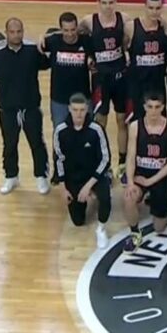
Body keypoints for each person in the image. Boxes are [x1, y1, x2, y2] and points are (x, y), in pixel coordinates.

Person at [0, 17, 51, 195]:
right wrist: (7, 92)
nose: (16, 35)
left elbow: (46, 64)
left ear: (23, 31)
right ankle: (11, 176)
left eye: (19, 31)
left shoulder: (32, 50)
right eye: (12, 32)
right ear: (6, 33)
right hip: (7, 109)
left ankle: (41, 176)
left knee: (37, 143)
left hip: (31, 107)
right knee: (9, 144)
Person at [78, 0, 133, 179]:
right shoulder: (88, 21)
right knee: (100, 120)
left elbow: (131, 37)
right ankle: (101, 160)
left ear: (116, 2)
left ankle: (123, 162)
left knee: (122, 120)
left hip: (120, 76)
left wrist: (127, 52)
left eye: (111, 3)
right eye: (104, 3)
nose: (108, 7)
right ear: (98, 4)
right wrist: (88, 56)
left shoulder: (124, 19)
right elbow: (74, 36)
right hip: (100, 78)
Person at [122, 91, 167, 253]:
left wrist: (150, 181)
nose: (153, 111)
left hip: (161, 177)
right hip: (140, 174)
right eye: (150, 107)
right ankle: (135, 233)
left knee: (159, 228)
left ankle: (158, 201)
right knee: (128, 197)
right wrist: (130, 182)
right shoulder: (135, 126)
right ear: (144, 107)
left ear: (163, 107)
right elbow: (130, 156)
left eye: (157, 107)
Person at [53, 93, 112, 249]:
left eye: (82, 110)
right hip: (74, 177)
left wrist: (89, 186)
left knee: (105, 198)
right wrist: (63, 187)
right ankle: (86, 197)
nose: (78, 114)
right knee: (78, 221)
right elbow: (59, 159)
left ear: (87, 110)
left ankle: (101, 228)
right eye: (75, 110)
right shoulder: (60, 131)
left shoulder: (96, 129)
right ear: (69, 109)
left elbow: (106, 159)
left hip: (94, 175)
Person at [41, 12, 93, 183]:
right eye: (66, 30)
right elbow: (40, 44)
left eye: (73, 30)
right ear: (60, 29)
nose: (70, 34)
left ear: (77, 28)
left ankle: (86, 170)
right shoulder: (53, 41)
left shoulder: (86, 41)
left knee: (87, 134)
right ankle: (59, 171)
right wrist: (42, 37)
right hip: (59, 100)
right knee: (59, 135)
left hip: (83, 99)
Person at [128, 0, 167, 124]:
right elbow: (121, 47)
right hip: (137, 84)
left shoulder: (165, 28)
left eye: (157, 8)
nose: (154, 12)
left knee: (160, 121)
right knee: (136, 122)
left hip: (158, 84)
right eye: (151, 8)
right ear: (145, 7)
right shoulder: (131, 27)